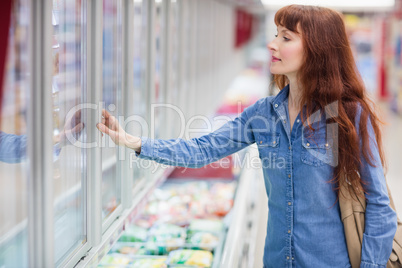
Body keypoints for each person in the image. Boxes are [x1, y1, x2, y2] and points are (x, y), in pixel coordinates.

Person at [97, 5, 397, 267]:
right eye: (276, 34)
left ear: (317, 49)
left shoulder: (349, 115)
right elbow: (201, 149)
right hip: (277, 260)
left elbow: (380, 206)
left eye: (285, 37)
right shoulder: (262, 114)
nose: (272, 44)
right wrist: (135, 142)